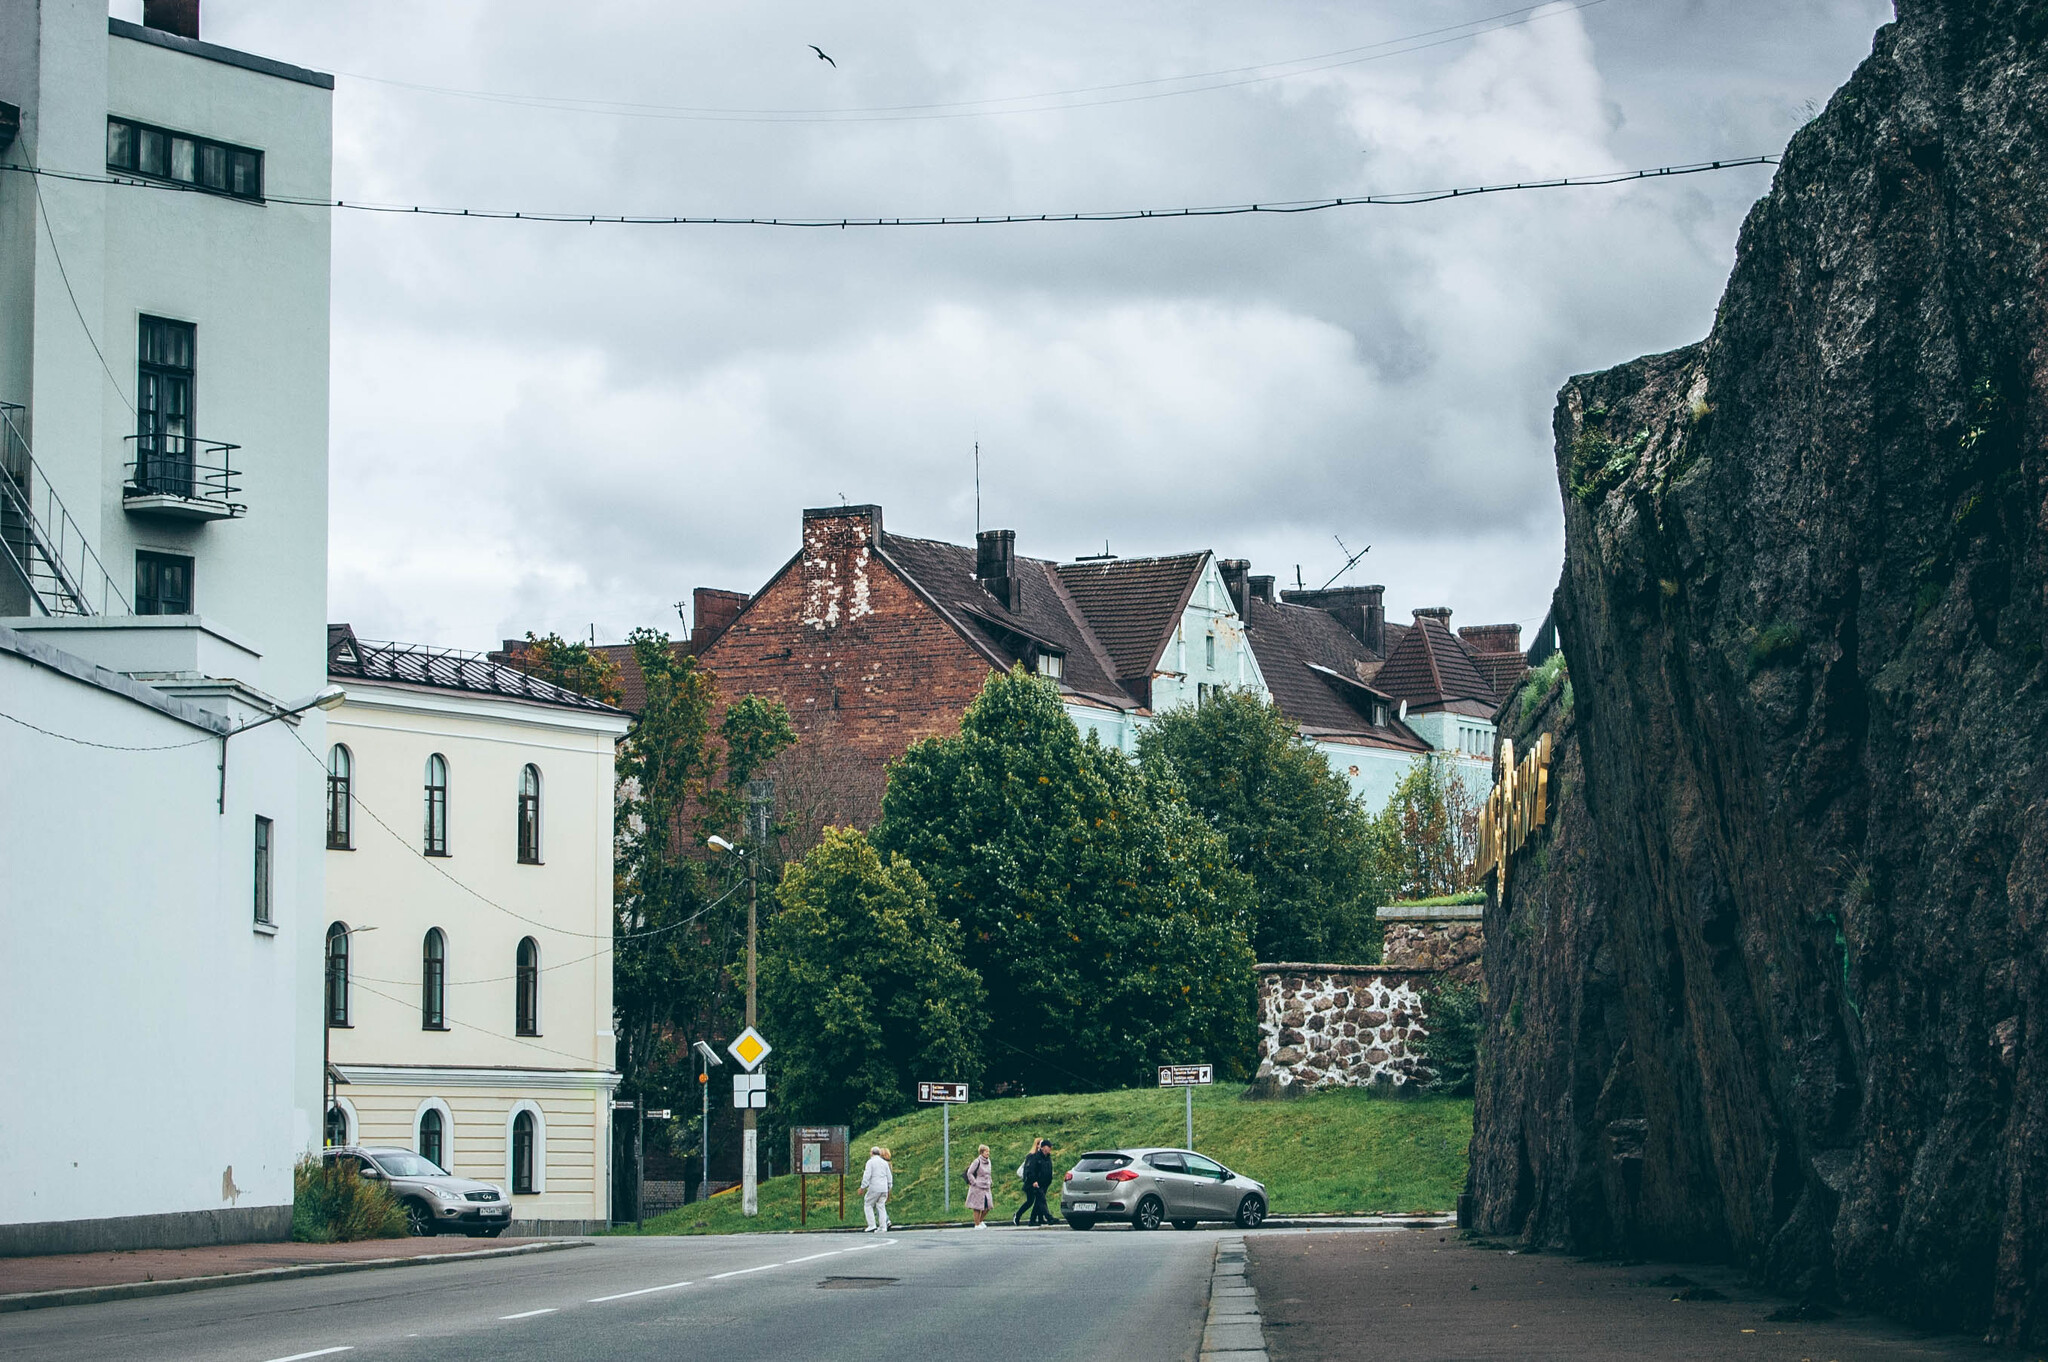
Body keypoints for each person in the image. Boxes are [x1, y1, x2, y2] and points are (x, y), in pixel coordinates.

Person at [1014, 1138, 1055, 1226]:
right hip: (1033, 1184)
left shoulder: (1047, 1158)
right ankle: (1048, 1218)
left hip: (1043, 1183)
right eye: (1048, 1146)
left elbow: (1048, 1169)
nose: (1050, 1148)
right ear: (1042, 1147)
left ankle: (1034, 1219)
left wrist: (1049, 1180)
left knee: (1037, 1201)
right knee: (1035, 1201)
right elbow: (1030, 1170)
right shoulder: (1033, 1156)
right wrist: (1033, 1181)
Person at [860, 1144, 894, 1232]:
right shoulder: (884, 1163)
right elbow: (889, 1176)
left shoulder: (870, 1162)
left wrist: (863, 1187)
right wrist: (889, 1186)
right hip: (884, 1188)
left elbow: (867, 1175)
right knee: (881, 1206)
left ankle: (872, 1225)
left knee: (868, 1204)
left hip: (874, 1187)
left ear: (871, 1153)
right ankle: (883, 1227)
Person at [965, 1144, 994, 1228]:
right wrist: (974, 1182)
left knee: (988, 1206)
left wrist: (990, 1181)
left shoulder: (989, 1161)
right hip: (978, 1187)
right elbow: (969, 1173)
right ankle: (977, 1224)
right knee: (977, 1207)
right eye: (986, 1151)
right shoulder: (977, 1161)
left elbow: (988, 1173)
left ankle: (980, 1221)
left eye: (988, 1151)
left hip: (986, 1187)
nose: (988, 1153)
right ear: (981, 1152)